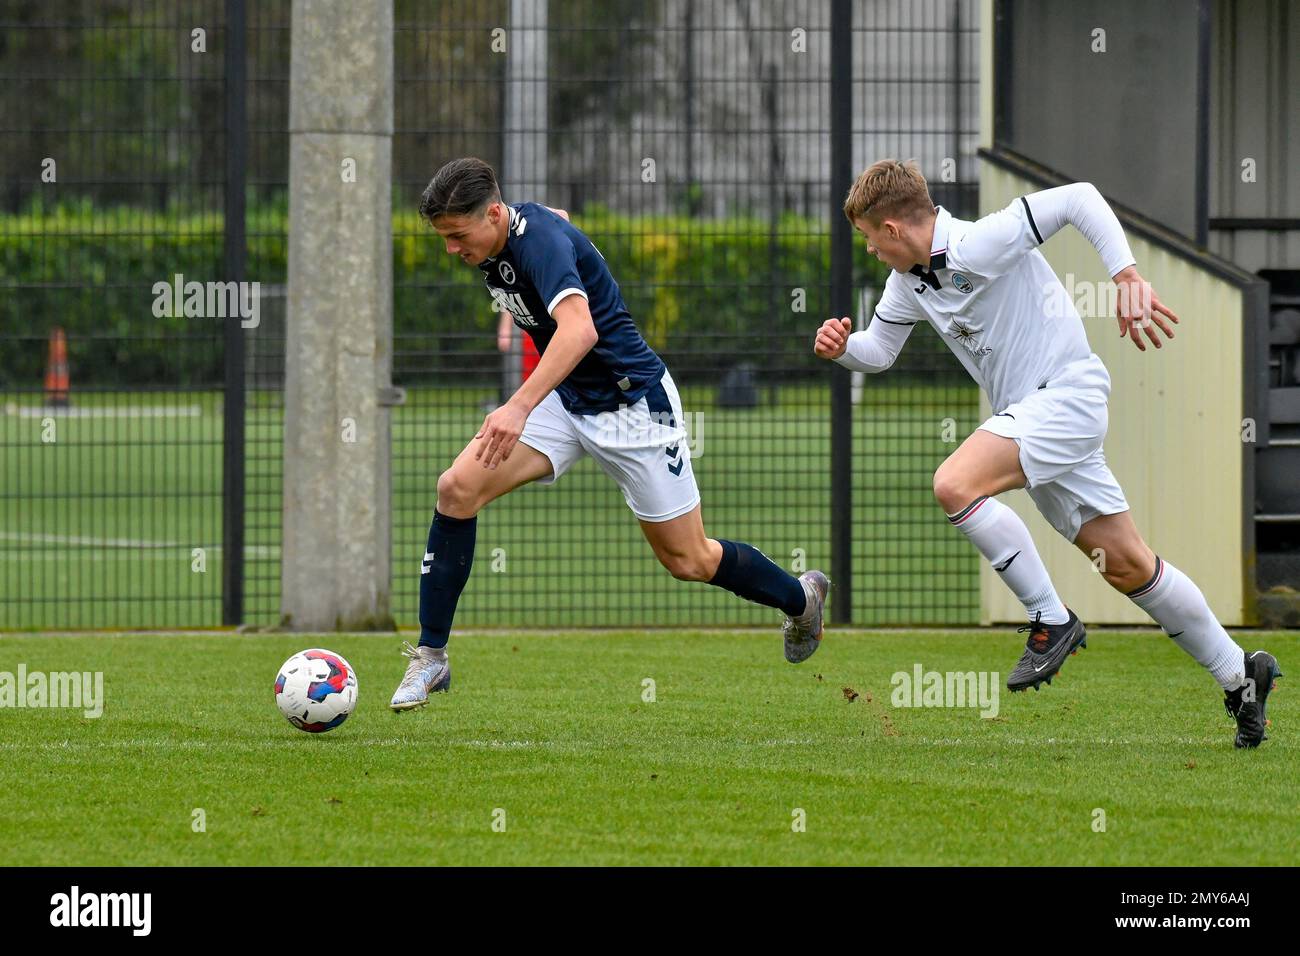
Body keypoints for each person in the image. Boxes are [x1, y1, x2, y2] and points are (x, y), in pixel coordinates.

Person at [813, 158, 1281, 748]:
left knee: (954, 484)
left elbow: (1080, 196)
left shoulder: (981, 241)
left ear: (893, 230)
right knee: (1130, 565)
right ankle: (1242, 675)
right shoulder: (907, 282)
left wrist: (1127, 275)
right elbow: (878, 350)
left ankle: (1050, 619)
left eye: (868, 240)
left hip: (1065, 399)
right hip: (1037, 420)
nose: (871, 253)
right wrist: (841, 349)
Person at [390, 157, 828, 710]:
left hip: (635, 407)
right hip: (567, 400)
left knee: (688, 560)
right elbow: (558, 220)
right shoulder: (506, 235)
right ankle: (431, 659)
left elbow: (579, 329)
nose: (451, 249)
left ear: (494, 213)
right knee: (456, 488)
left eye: (457, 235)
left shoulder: (537, 242)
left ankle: (802, 599)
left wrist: (517, 406)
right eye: (444, 238)